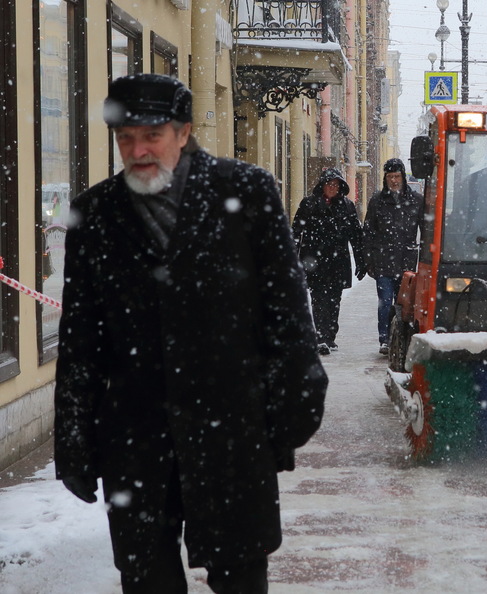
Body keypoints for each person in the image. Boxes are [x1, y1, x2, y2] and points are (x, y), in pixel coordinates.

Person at [54, 73, 327, 594]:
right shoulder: (96, 215)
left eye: (151, 136)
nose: (137, 150)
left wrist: (295, 407)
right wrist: (73, 440)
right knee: (146, 577)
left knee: (240, 575)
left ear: (182, 133)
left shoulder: (247, 193)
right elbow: (80, 340)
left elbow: (289, 316)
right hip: (135, 439)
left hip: (230, 430)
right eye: (125, 138)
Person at [292, 168, 364, 355]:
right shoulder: (308, 204)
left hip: (338, 261)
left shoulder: (347, 206)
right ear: (322, 185)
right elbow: (296, 233)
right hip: (314, 261)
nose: (332, 188)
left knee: (334, 300)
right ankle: (320, 337)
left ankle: (330, 336)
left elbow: (356, 236)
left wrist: (361, 260)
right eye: (329, 184)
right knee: (318, 299)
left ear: (340, 187)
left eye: (336, 185)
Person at [362, 158, 424, 355]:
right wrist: (368, 260)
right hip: (383, 262)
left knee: (404, 305)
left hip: (406, 262)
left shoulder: (416, 200)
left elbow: (427, 229)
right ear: (385, 179)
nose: (394, 181)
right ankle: (385, 339)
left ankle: (402, 338)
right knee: (385, 301)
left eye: (397, 176)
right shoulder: (378, 201)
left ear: (403, 177)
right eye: (390, 177)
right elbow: (368, 232)